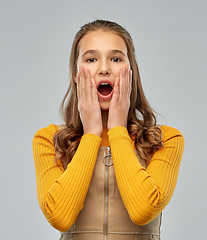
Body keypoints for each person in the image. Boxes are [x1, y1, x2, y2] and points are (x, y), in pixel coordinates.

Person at [32, 19, 184, 240]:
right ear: (76, 75)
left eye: (115, 58)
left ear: (131, 72)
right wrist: (92, 133)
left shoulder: (166, 140)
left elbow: (143, 210)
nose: (104, 68)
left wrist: (116, 129)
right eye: (91, 59)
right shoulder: (49, 140)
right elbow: (60, 218)